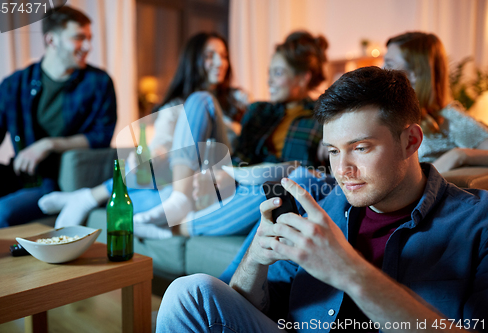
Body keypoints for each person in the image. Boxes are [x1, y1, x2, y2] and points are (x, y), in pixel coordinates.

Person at [155, 67, 488, 332]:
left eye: (361, 148)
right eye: (333, 151)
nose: (343, 170)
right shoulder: (321, 208)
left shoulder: (478, 221)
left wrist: (349, 272)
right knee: (190, 294)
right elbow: (255, 311)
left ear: (411, 141)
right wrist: (255, 261)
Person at [133, 31, 335, 240]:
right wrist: (222, 175)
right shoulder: (258, 111)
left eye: (277, 73)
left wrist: (331, 145)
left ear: (303, 78)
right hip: (238, 183)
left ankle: (176, 228)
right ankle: (179, 200)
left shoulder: (322, 118)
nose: (269, 81)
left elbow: (320, 175)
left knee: (278, 192)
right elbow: (241, 155)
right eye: (269, 73)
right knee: (200, 100)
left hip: (270, 191)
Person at [38, 32, 247, 229]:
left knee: (200, 100)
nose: (220, 63)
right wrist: (150, 159)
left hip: (220, 173)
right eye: (210, 56)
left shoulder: (238, 101)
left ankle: (89, 197)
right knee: (152, 188)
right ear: (193, 61)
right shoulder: (174, 107)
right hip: (185, 180)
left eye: (224, 56)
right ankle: (168, 202)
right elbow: (161, 145)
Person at [0, 6, 117, 230]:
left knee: (0, 213)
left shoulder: (98, 83)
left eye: (89, 38)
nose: (88, 46)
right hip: (21, 175)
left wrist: (48, 145)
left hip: (60, 182)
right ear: (51, 40)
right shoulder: (15, 84)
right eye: (79, 38)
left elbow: (101, 137)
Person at [384, 32, 488, 172]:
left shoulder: (450, 118)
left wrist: (459, 155)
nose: (380, 68)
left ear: (415, 73)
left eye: (389, 63)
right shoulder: (390, 113)